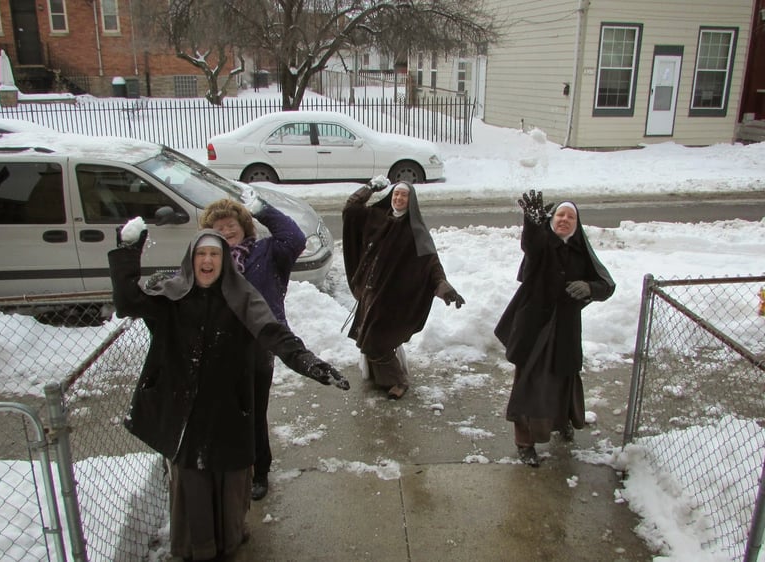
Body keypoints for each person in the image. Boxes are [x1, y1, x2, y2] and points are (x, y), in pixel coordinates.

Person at [108, 226, 349, 561]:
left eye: (215, 254)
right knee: (192, 481)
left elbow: (274, 334)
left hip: (228, 406)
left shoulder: (243, 297)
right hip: (185, 413)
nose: (208, 260)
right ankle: (198, 548)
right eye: (201, 254)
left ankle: (230, 539)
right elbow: (126, 302)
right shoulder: (170, 296)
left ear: (225, 261)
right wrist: (127, 252)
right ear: (191, 260)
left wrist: (309, 363)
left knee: (231, 479)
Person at [494, 190, 615, 467]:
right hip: (534, 327)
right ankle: (524, 442)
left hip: (565, 329)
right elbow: (531, 245)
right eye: (560, 215)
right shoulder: (543, 244)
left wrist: (590, 287)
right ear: (552, 220)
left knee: (565, 377)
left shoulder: (580, 252)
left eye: (570, 217)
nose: (564, 219)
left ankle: (563, 421)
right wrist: (532, 223)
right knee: (529, 384)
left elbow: (607, 285)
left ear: (577, 224)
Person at [199, 195, 306, 501]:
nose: (226, 231)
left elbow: (295, 238)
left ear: (244, 226)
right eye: (218, 228)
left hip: (260, 345)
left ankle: (260, 471)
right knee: (225, 412)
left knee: (254, 412)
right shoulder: (210, 260)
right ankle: (231, 465)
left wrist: (263, 210)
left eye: (231, 224)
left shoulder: (268, 252)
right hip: (220, 347)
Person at [342, 177, 465, 400]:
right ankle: (381, 379)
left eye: (404, 195)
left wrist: (445, 288)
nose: (398, 198)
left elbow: (432, 266)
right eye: (396, 194)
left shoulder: (415, 232)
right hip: (370, 292)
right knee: (369, 338)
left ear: (411, 201)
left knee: (375, 342)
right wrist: (370, 188)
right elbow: (351, 208)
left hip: (393, 299)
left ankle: (398, 380)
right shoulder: (377, 218)